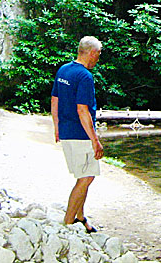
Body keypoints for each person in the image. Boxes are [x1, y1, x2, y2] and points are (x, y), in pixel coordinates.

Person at [51, 36, 104, 231]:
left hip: (66, 132)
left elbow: (54, 100)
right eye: (98, 54)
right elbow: (83, 110)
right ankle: (67, 222)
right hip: (81, 135)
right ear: (91, 53)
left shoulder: (63, 70)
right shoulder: (84, 77)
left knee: (83, 175)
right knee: (86, 178)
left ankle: (80, 216)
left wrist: (57, 127)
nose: (98, 58)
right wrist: (95, 140)